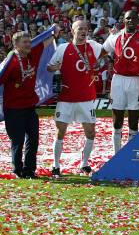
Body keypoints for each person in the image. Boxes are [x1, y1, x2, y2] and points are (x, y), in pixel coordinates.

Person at [47, 20, 103, 176]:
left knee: (91, 132)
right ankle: (56, 165)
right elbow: (49, 67)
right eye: (80, 29)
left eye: (86, 29)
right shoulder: (63, 48)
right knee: (60, 132)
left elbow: (108, 50)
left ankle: (84, 164)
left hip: (86, 98)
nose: (83, 31)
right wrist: (55, 67)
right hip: (66, 98)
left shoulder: (93, 46)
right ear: (73, 31)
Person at [0, 29, 57, 178]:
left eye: (29, 41)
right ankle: (17, 169)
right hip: (13, 109)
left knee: (33, 138)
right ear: (16, 45)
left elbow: (45, 42)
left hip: (30, 106)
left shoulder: (32, 54)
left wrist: (54, 31)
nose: (28, 44)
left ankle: (29, 170)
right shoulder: (10, 62)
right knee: (17, 140)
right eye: (25, 42)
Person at [102, 10, 139, 153]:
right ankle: (116, 153)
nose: (130, 21)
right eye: (128, 18)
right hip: (118, 79)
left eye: (133, 18)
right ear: (123, 20)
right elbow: (103, 50)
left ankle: (130, 152)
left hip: (136, 80)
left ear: (138, 21)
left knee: (133, 119)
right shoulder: (116, 36)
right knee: (117, 119)